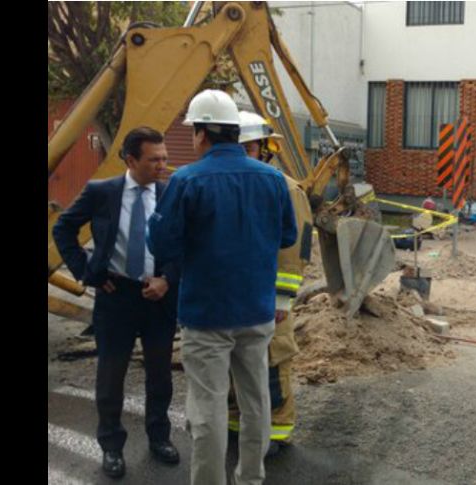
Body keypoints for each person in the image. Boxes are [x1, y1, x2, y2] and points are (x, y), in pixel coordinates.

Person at [147, 90, 298, 485]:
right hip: (257, 312)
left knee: (209, 408)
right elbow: (287, 236)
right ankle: (251, 478)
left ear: (201, 134)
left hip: (206, 314)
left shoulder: (186, 179)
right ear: (234, 131)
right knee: (256, 401)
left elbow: (161, 245)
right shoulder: (274, 179)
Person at [53, 127, 180, 478]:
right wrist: (88, 272)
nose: (162, 165)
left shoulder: (170, 194)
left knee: (160, 375)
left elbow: (183, 243)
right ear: (130, 160)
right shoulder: (101, 192)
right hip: (116, 297)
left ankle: (159, 438)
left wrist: (167, 279)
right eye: (154, 159)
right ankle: (111, 446)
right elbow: (63, 228)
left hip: (159, 299)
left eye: (165, 158)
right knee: (110, 376)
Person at [227, 111, 313, 456]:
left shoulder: (286, 189)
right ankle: (238, 425)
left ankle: (276, 432)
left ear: (264, 149)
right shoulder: (231, 184)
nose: (243, 153)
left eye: (249, 147)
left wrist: (282, 298)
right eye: (238, 147)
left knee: (273, 365)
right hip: (234, 296)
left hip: (269, 298)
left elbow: (295, 249)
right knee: (236, 366)